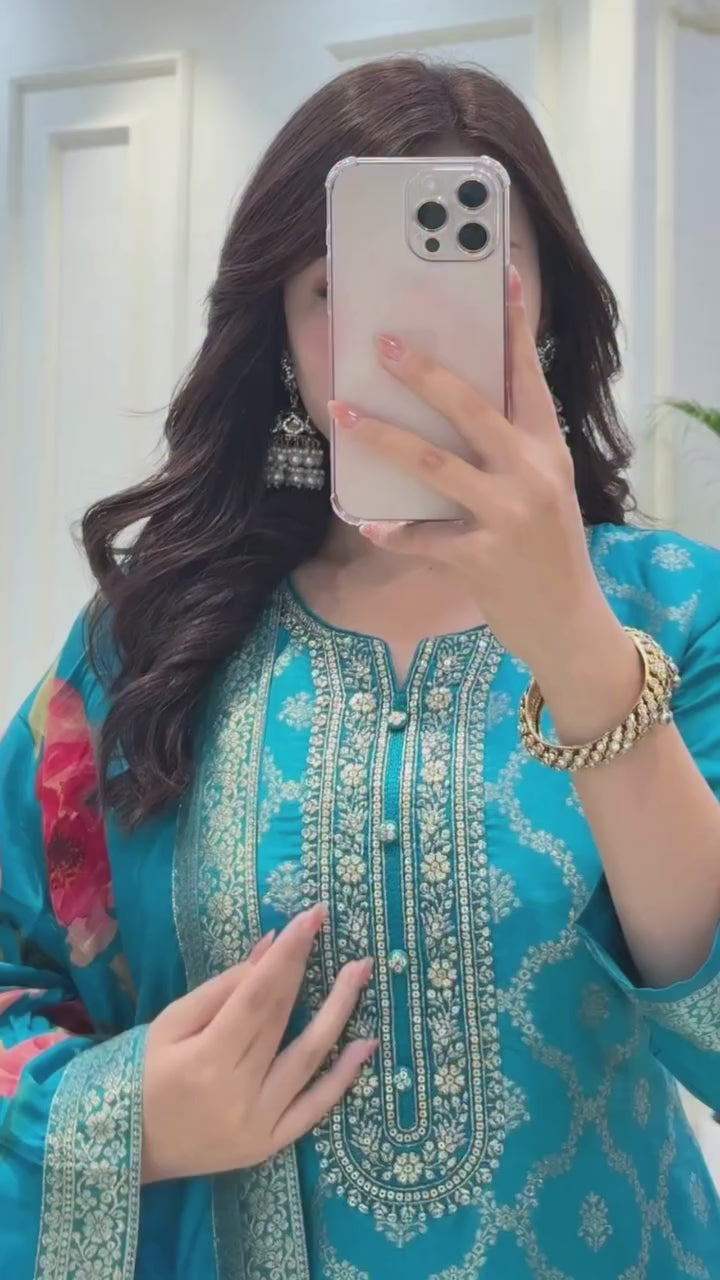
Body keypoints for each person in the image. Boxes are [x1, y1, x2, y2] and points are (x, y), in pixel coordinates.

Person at [1, 56, 720, 1280]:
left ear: (543, 305)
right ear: (281, 334)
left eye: (466, 275)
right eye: (336, 287)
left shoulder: (675, 607)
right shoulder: (151, 645)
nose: (394, 335)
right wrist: (133, 1118)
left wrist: (580, 647)